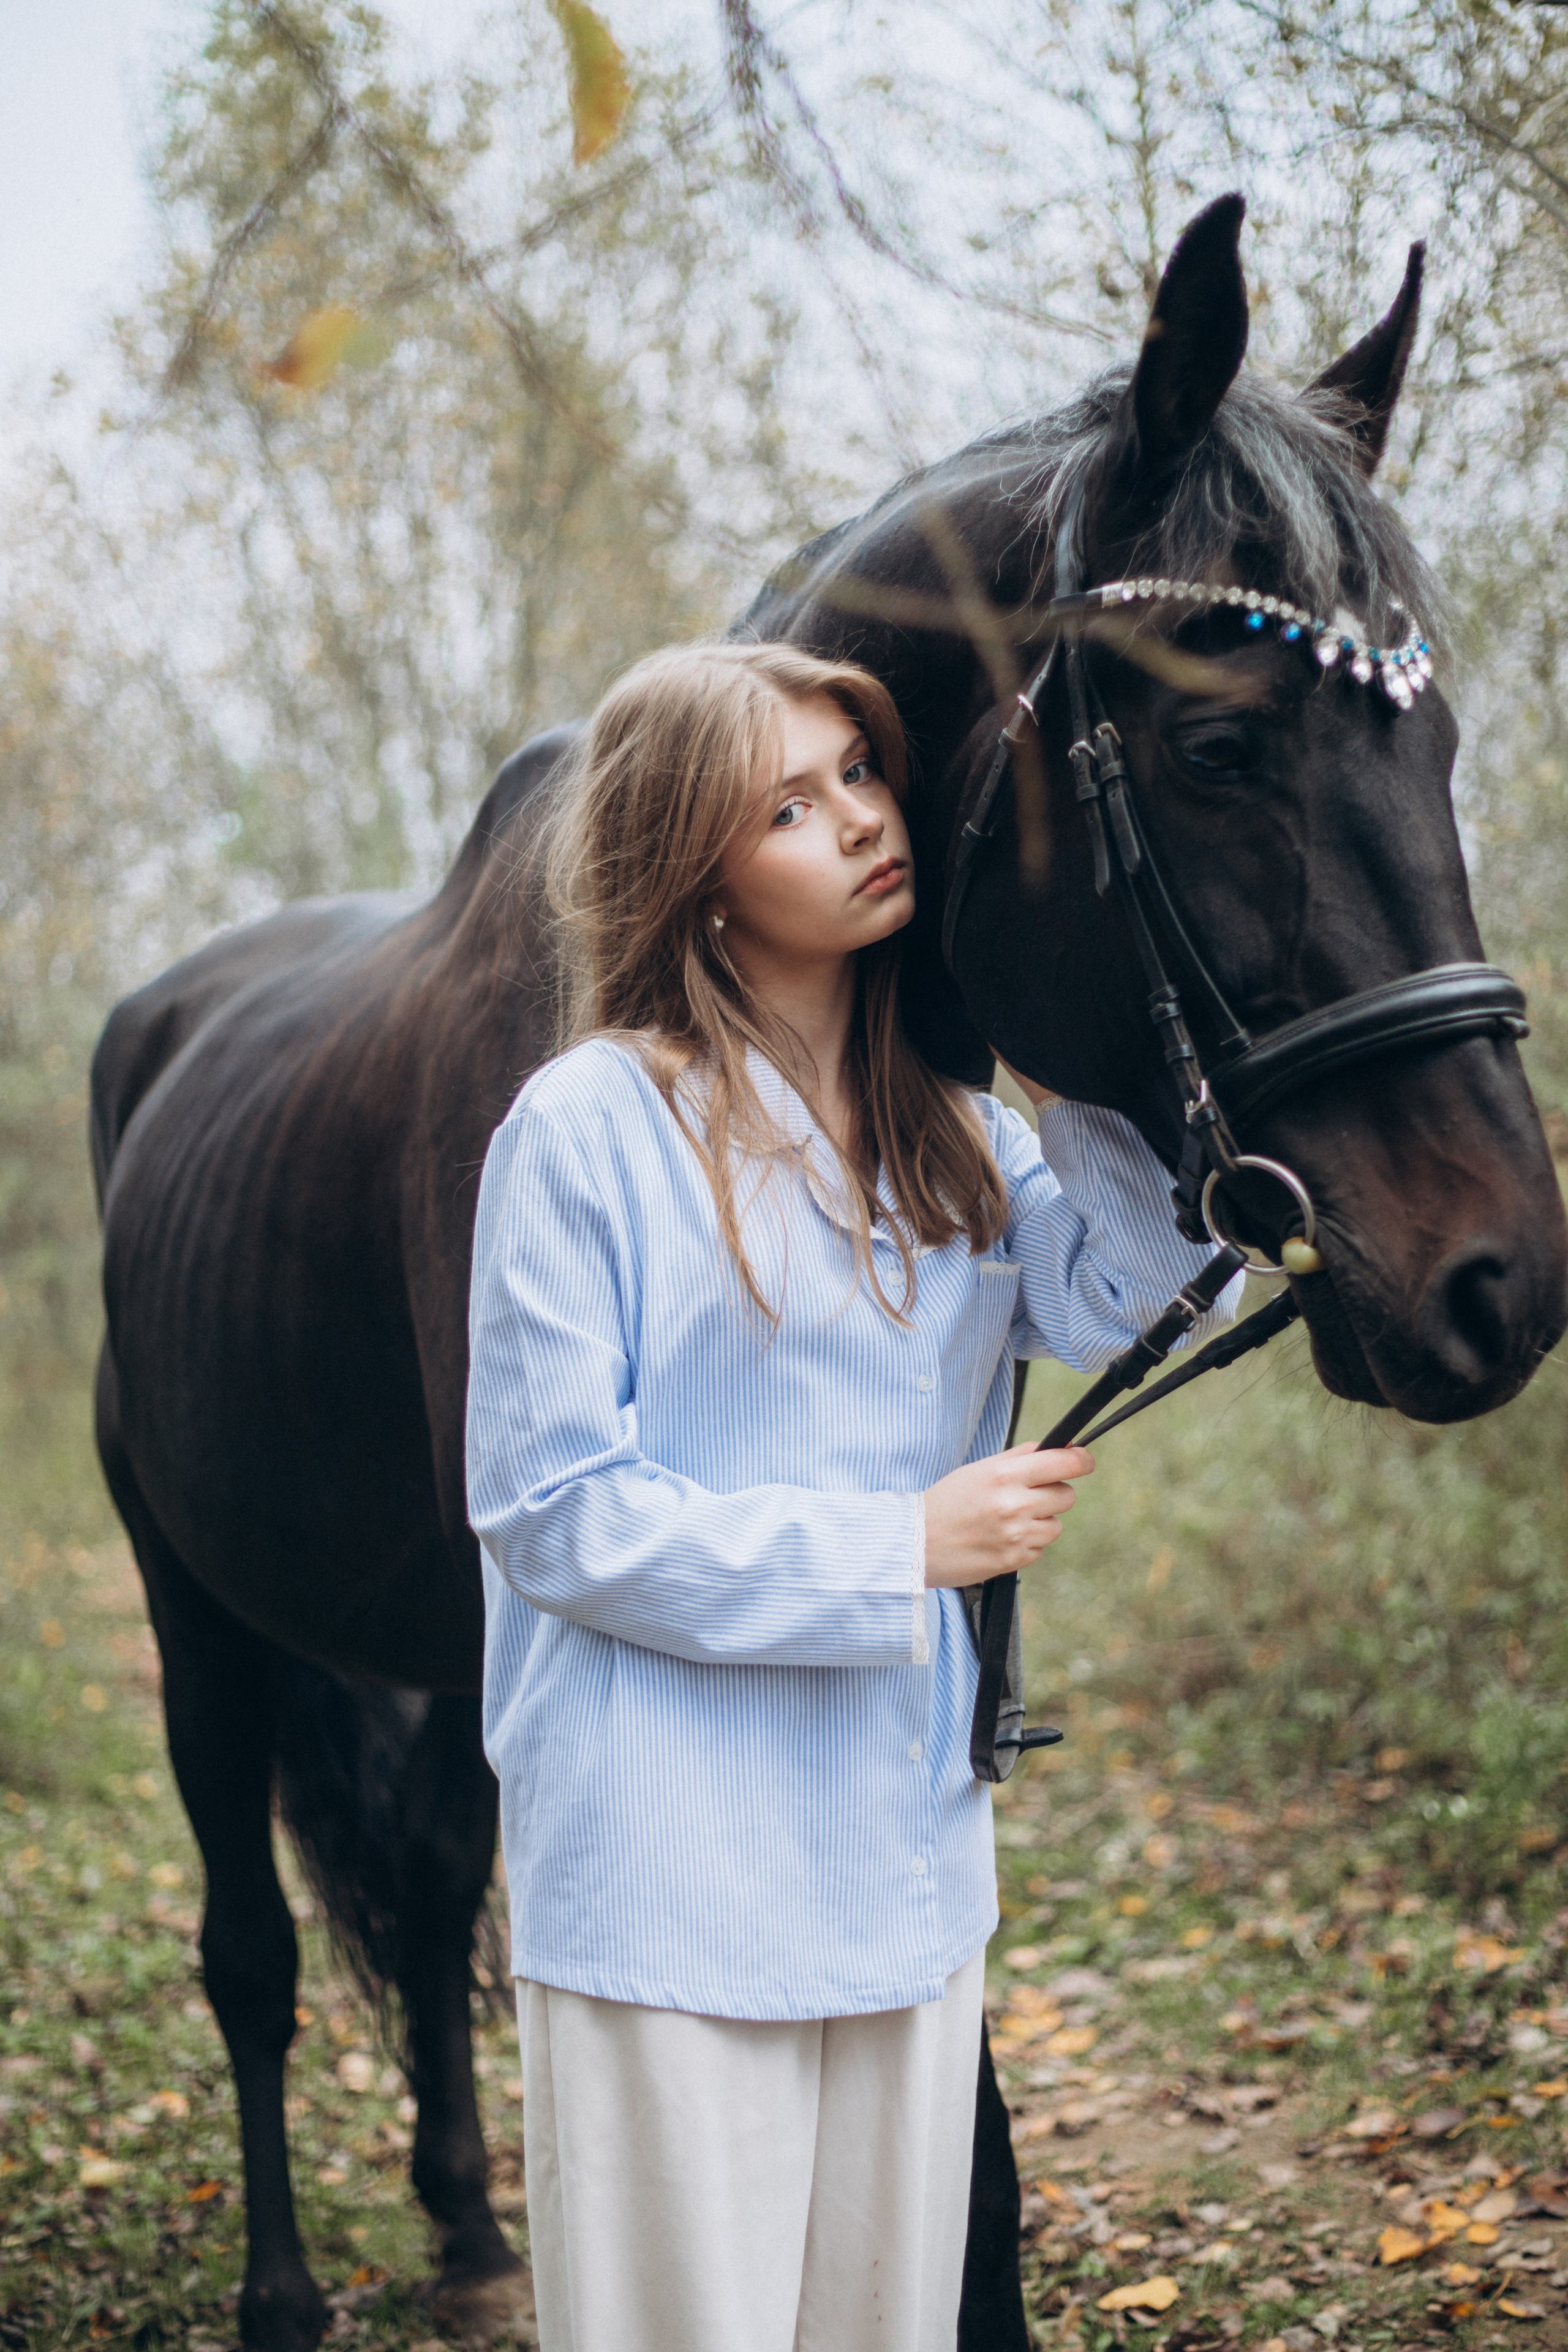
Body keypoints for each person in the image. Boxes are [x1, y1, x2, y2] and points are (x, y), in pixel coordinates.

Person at [466, 641, 1235, 2352]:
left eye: (861, 775)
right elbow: (552, 1511)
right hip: (668, 1873)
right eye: (790, 806)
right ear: (693, 869)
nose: (861, 821)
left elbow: (1134, 1281)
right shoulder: (590, 1128)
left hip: (897, 1861)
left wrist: (1061, 1033)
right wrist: (901, 1549)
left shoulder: (957, 1134)